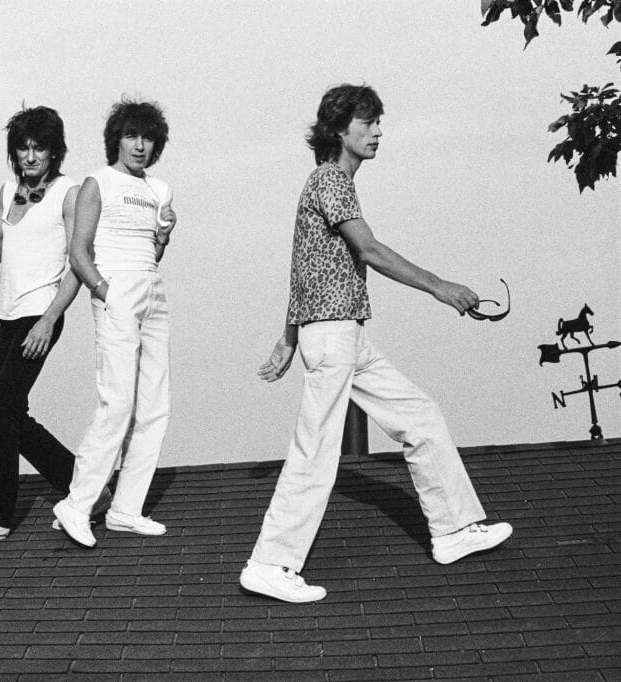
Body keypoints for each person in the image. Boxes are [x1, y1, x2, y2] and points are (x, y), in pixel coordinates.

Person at [240, 84, 512, 603]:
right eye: (369, 123)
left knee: (420, 417)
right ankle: (270, 563)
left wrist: (287, 338)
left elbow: (303, 270)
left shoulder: (326, 183)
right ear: (341, 129)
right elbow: (368, 250)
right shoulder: (331, 180)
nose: (379, 131)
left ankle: (453, 530)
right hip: (334, 336)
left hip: (345, 335)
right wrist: (440, 286)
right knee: (316, 454)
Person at [0, 105, 110, 543]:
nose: (31, 156)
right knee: (11, 411)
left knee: (0, 408)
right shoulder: (6, 190)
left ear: (55, 153)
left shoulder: (68, 194)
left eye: (40, 148)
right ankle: (87, 488)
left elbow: (78, 262)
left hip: (41, 313)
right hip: (8, 312)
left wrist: (50, 320)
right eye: (24, 147)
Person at [52, 99, 177, 548]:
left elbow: (153, 251)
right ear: (117, 140)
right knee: (117, 401)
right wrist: (106, 291)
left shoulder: (159, 190)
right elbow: (78, 251)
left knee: (154, 404)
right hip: (116, 290)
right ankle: (78, 504)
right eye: (131, 136)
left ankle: (126, 509)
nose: (139, 146)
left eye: (147, 138)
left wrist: (163, 237)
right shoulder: (97, 182)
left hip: (152, 290)